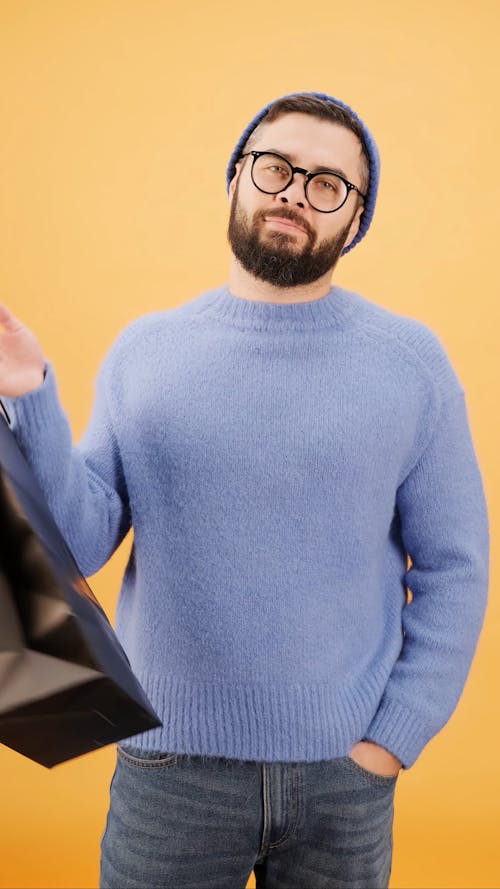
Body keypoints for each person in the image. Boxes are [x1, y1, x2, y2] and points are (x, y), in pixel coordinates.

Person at [0, 91, 489, 889]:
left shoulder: (411, 363)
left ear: (355, 219)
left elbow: (456, 566)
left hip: (345, 777)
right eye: (276, 167)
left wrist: (392, 741)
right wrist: (30, 394)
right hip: (169, 774)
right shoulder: (146, 352)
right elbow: (79, 542)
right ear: (234, 180)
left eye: (329, 182)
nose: (296, 190)